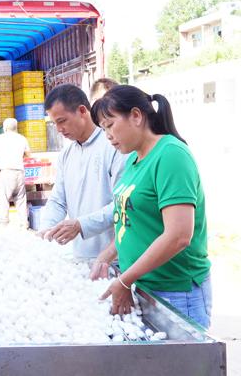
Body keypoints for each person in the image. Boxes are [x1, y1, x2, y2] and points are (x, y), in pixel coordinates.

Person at [91, 85, 212, 327]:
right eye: (103, 129)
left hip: (175, 292)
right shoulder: (135, 160)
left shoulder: (171, 155)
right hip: (145, 287)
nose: (108, 135)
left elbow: (178, 236)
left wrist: (125, 280)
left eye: (111, 124)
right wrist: (105, 256)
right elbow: (134, 225)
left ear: (136, 116)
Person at [38, 84, 126, 275]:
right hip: (80, 259)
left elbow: (123, 205)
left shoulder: (115, 147)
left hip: (115, 259)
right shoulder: (66, 154)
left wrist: (81, 225)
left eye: (62, 121)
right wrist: (46, 229)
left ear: (82, 111)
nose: (59, 129)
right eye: (55, 123)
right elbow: (58, 200)